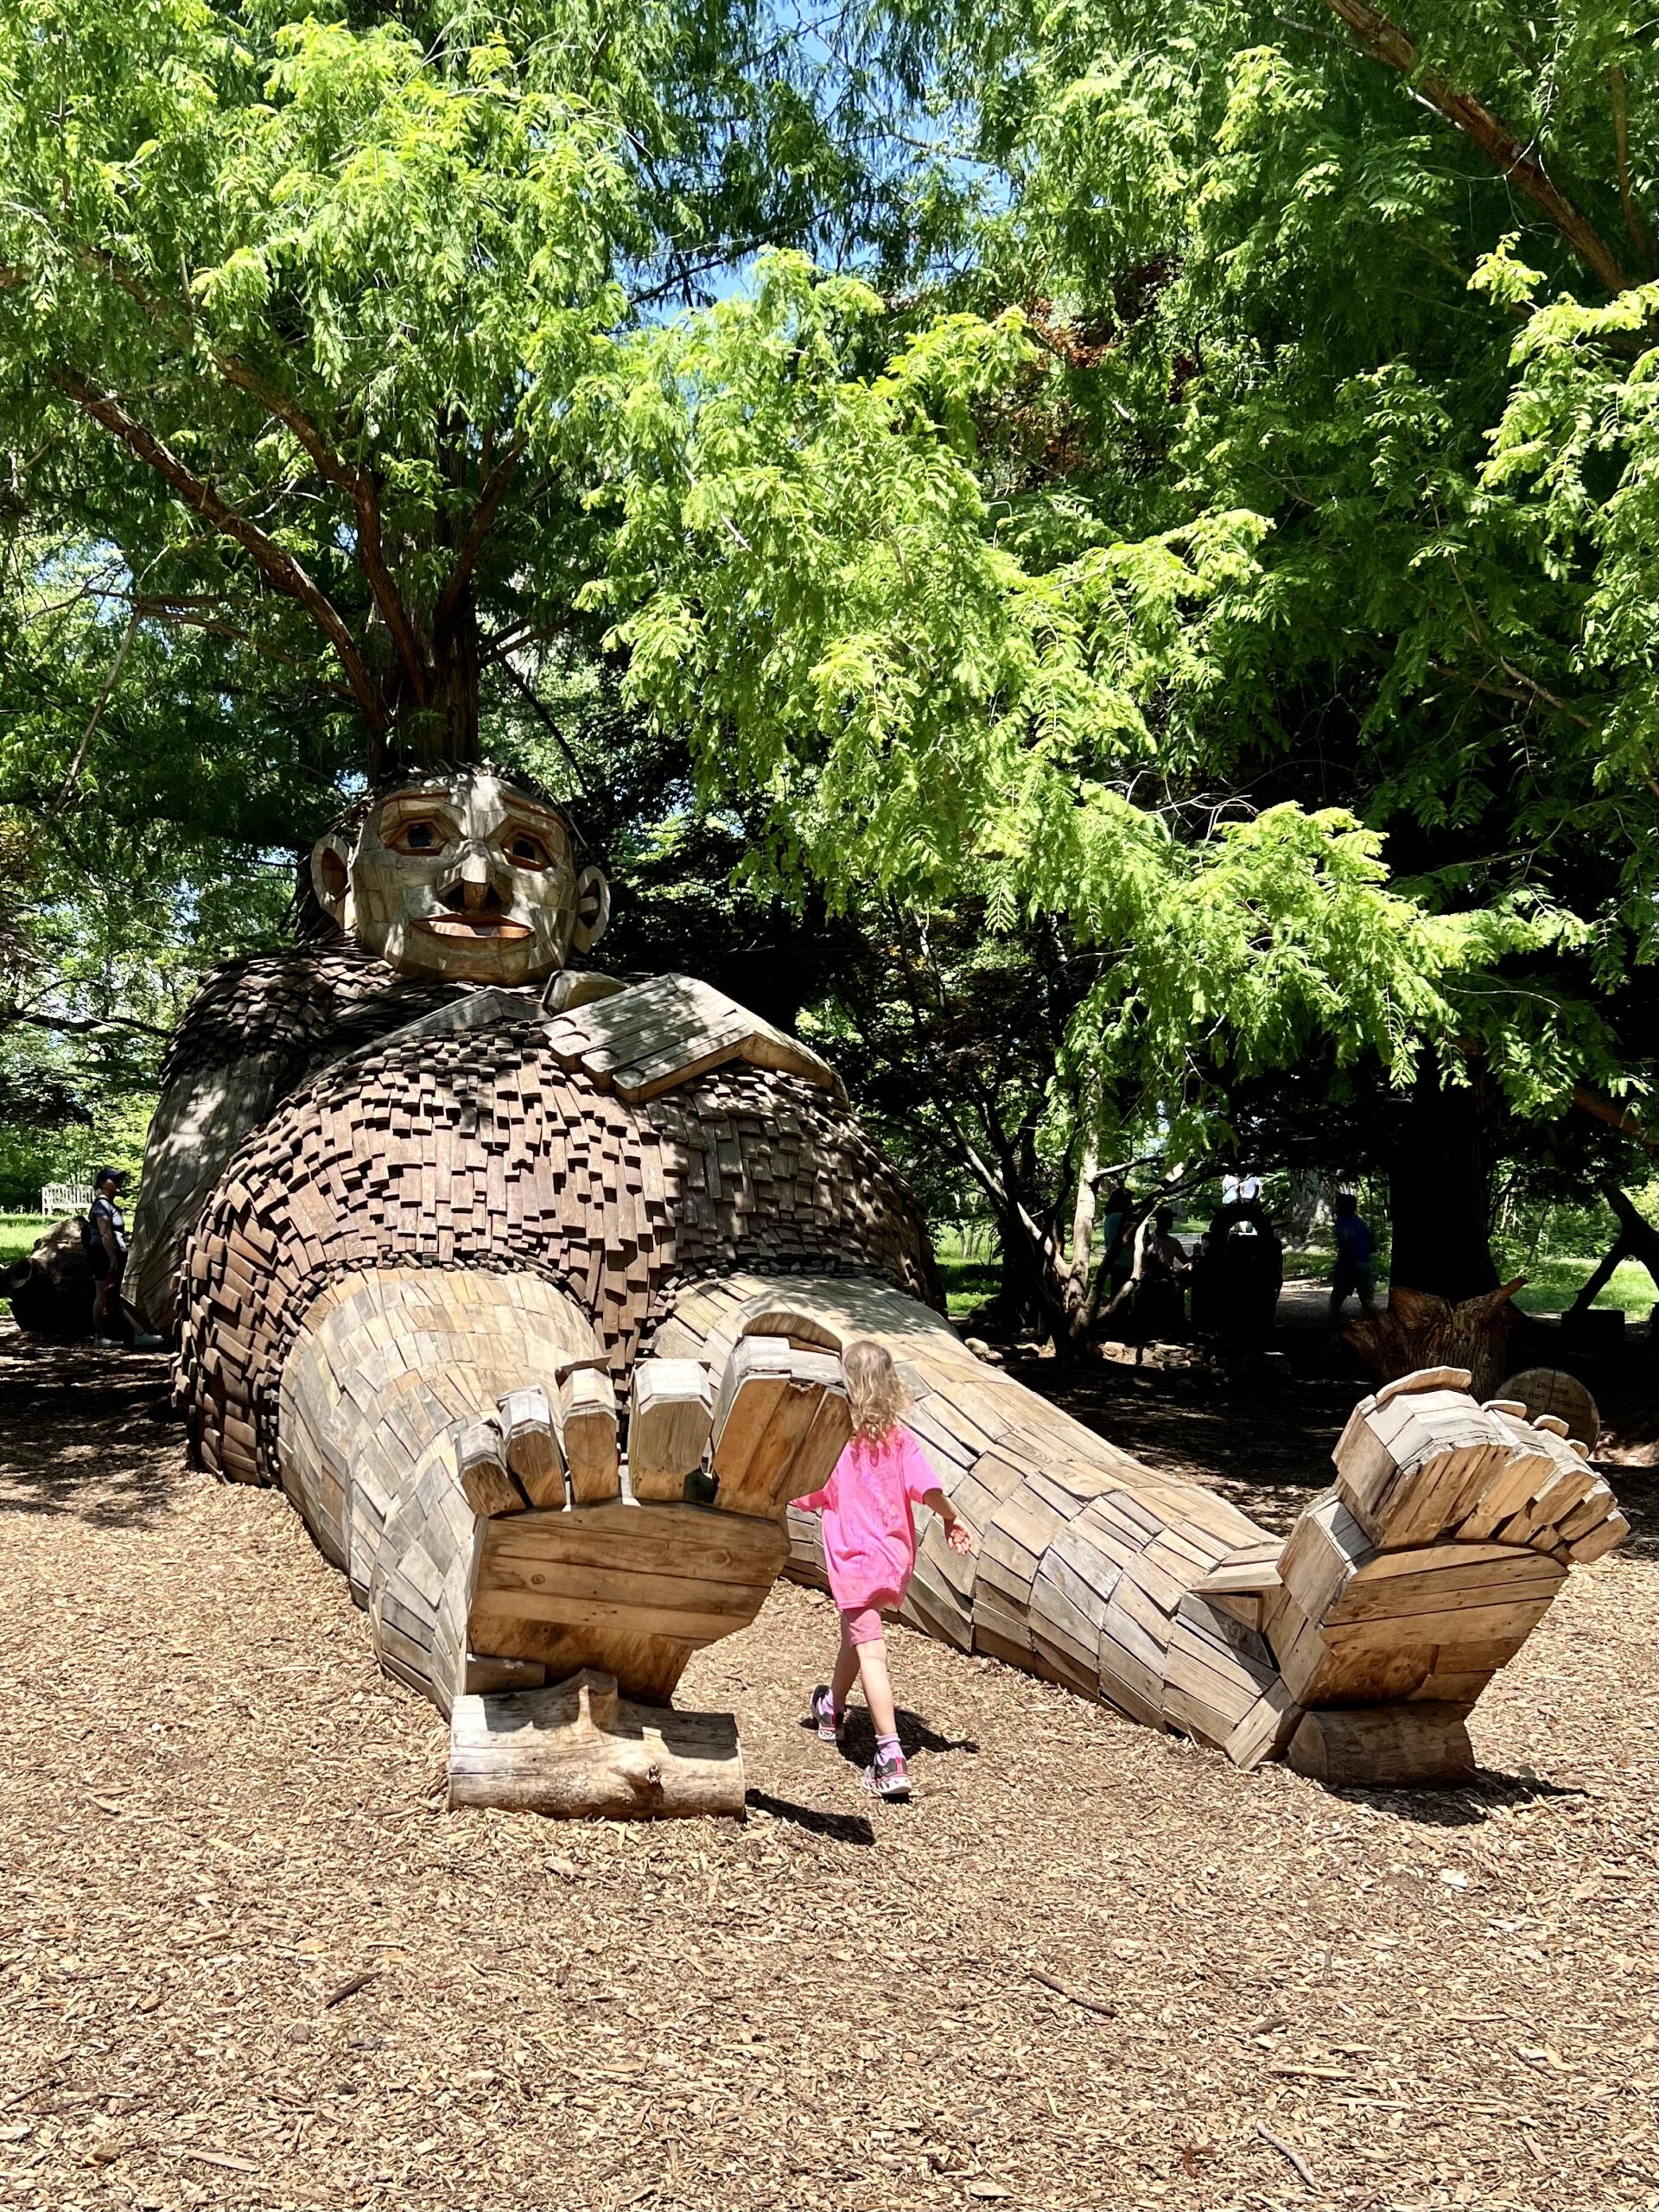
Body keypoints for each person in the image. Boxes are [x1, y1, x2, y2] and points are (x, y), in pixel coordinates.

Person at [796, 1339, 976, 1800]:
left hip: (855, 1561)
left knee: (871, 1651)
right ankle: (831, 1709)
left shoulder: (834, 1445)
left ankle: (889, 1755)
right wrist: (952, 1516)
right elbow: (928, 1489)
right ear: (889, 1387)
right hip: (892, 1560)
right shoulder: (900, 1441)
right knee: (857, 1638)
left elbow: (804, 1492)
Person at [84, 1167, 130, 1344]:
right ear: (103, 1183)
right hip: (102, 1253)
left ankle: (137, 1332)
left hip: (113, 1252)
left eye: (119, 1179)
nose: (118, 1183)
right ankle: (101, 1337)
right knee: (102, 1294)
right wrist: (112, 1259)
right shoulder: (101, 1205)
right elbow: (105, 1234)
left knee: (115, 1293)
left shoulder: (109, 1205)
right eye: (114, 1179)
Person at [1330, 1192, 1376, 1316]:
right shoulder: (1361, 1223)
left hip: (1349, 1262)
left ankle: (1333, 1322)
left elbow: (1344, 1243)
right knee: (1367, 1298)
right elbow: (1372, 1245)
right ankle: (1375, 1321)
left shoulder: (1341, 1222)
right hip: (1365, 1262)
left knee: (1337, 1296)